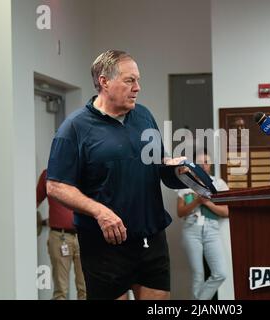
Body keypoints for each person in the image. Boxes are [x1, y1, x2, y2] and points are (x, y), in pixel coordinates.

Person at [46, 50, 185, 300]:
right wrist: (100, 212)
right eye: (130, 80)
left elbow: (158, 163)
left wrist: (174, 167)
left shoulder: (144, 116)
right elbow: (56, 186)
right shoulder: (74, 128)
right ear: (104, 81)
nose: (138, 88)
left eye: (138, 80)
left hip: (151, 236)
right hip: (104, 244)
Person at [176, 150, 229, 300]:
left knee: (220, 273)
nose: (203, 165)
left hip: (212, 229)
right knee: (198, 275)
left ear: (211, 163)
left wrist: (207, 202)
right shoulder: (185, 185)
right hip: (191, 229)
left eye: (206, 161)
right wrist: (196, 201)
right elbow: (180, 212)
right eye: (199, 163)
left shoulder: (219, 183)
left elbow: (226, 211)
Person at [36, 169, 86, 300]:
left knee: (86, 289)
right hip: (60, 237)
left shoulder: (84, 172)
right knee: (61, 291)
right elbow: (33, 202)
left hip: (84, 237)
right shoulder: (48, 174)